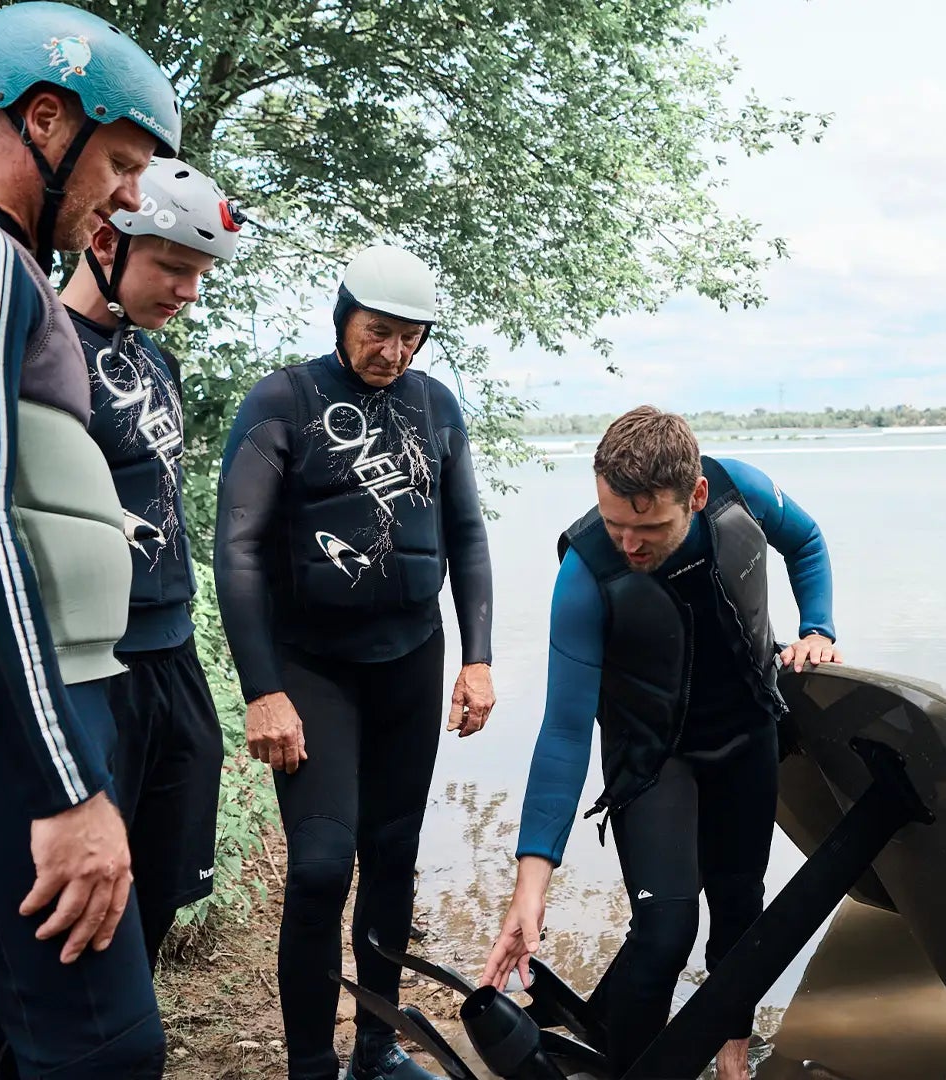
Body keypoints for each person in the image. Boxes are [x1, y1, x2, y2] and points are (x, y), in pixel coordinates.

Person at [0, 2, 184, 1076]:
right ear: (44, 119)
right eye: (122, 160)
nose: (128, 195)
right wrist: (67, 785)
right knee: (104, 1048)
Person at [480, 406, 842, 1080]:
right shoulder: (587, 574)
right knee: (664, 934)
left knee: (740, 905)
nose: (629, 544)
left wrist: (817, 625)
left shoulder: (742, 494)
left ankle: (734, 1058)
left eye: (648, 528)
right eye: (615, 522)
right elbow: (562, 732)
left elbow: (809, 541)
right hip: (652, 759)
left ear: (696, 496)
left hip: (745, 737)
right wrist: (531, 885)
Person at [212, 244, 497, 1080]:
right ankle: (311, 1064)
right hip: (313, 667)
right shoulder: (283, 401)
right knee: (322, 866)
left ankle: (376, 1046)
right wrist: (263, 690)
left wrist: (477, 660)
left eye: (410, 337)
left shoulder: (437, 406)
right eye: (378, 332)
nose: (393, 351)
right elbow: (238, 551)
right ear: (344, 319)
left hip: (411, 659)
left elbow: (469, 536)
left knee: (394, 859)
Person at [59, 157, 245, 969]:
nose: (188, 292)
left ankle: (127, 1018)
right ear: (105, 238)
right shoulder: (44, 349)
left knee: (168, 874)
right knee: (92, 889)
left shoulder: (153, 358)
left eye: (198, 275)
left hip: (172, 651)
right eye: (173, 267)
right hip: (96, 662)